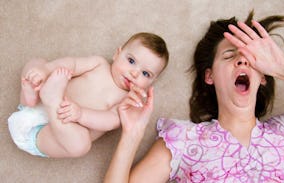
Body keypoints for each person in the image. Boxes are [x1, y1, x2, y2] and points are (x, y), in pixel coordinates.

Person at [104, 11, 284, 182]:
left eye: (251, 58)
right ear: (210, 76)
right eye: (229, 55)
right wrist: (131, 135)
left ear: (263, 76)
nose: (242, 61)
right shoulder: (182, 141)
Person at [7, 32, 169, 158]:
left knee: (81, 145)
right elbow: (72, 64)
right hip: (34, 105)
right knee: (37, 63)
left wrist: (81, 114)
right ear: (117, 54)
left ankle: (52, 99)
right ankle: (30, 94)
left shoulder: (126, 102)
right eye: (131, 61)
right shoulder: (99, 64)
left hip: (46, 135)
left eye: (145, 74)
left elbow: (110, 121)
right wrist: (46, 70)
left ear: (151, 83)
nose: (134, 73)